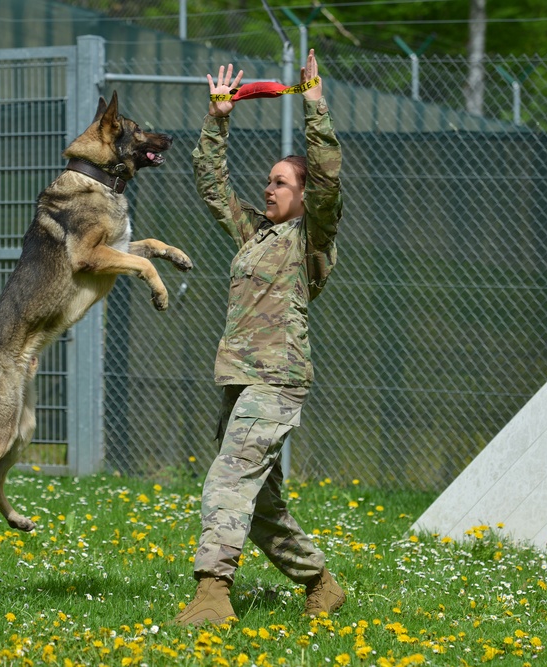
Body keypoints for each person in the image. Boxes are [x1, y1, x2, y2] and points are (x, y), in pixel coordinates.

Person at [173, 49, 345, 626]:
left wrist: (315, 106)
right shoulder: (255, 235)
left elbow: (326, 176)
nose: (267, 189)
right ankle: (319, 582)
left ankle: (212, 595)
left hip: (278, 379)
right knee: (263, 503)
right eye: (267, 182)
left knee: (227, 479)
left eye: (279, 183)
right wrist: (219, 116)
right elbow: (211, 183)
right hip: (239, 377)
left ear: (302, 195)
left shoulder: (310, 237)